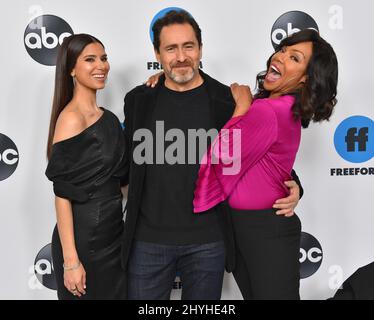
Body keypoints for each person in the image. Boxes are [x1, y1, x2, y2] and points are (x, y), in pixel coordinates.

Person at [121, 10, 303, 300]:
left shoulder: (226, 101)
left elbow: (258, 154)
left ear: (201, 48)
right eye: (171, 48)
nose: (180, 56)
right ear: (157, 53)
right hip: (147, 242)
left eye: (188, 46)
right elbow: (124, 166)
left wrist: (295, 185)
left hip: (208, 244)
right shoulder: (138, 101)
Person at [193, 29, 338, 299]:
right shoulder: (272, 105)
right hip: (249, 227)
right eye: (283, 50)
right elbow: (267, 159)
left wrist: (241, 107)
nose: (280, 57)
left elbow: (222, 155)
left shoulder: (269, 109)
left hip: (264, 231)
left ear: (307, 78)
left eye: (294, 58)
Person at [45, 34, 127, 300]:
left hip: (114, 238)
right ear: (71, 68)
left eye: (103, 58)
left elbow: (122, 180)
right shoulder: (70, 119)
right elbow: (62, 195)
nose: (100, 66)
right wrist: (71, 261)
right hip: (81, 243)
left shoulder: (110, 120)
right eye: (89, 59)